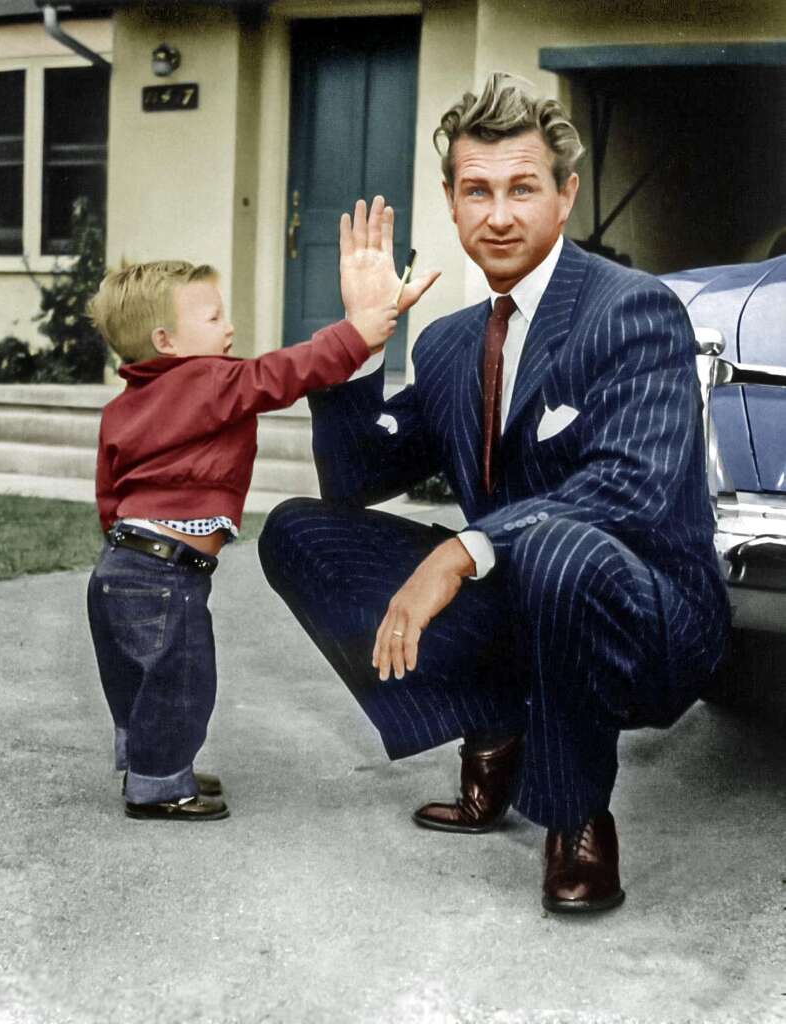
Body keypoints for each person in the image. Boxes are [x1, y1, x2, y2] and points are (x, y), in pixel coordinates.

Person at [258, 73, 729, 910]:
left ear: (565, 196)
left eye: (522, 189)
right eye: (477, 191)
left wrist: (461, 549)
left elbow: (628, 486)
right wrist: (359, 342)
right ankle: (497, 720)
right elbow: (354, 481)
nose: (499, 215)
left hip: (648, 621)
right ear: (450, 202)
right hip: (524, 606)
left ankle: (575, 817)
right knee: (297, 530)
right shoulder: (448, 344)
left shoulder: (634, 309)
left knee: (552, 545)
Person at [86, 205, 438, 822]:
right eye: (213, 317)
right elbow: (283, 374)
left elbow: (108, 493)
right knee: (182, 680)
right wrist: (359, 332)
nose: (229, 327)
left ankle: (153, 766)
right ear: (167, 343)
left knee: (140, 678)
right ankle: (159, 787)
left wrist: (120, 547)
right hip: (167, 573)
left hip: (119, 566)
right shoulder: (207, 380)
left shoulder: (124, 406)